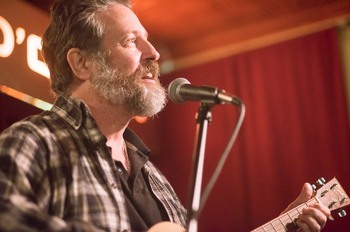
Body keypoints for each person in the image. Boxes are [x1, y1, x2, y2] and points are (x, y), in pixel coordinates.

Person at [0, 0, 329, 231]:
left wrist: (286, 226)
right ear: (82, 64)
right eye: (132, 41)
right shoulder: (33, 142)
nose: (153, 53)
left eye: (148, 40)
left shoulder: (154, 178)